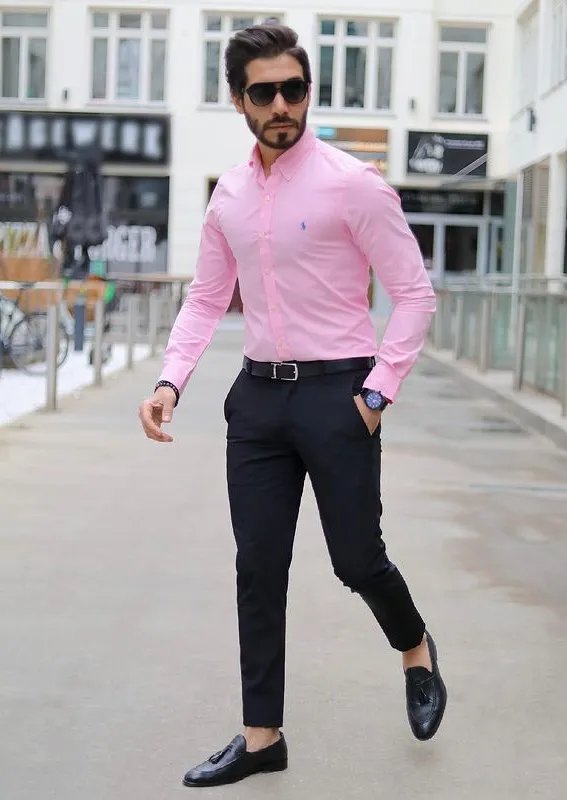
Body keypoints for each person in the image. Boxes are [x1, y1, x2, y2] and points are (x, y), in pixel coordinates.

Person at [138, 23, 446, 789]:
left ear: (308, 90)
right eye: (265, 92)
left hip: (339, 394)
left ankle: (414, 648)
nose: (283, 105)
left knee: (356, 559)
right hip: (258, 404)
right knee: (258, 568)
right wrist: (170, 380)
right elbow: (208, 298)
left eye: (294, 88)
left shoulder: (354, 184)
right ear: (238, 99)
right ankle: (262, 735)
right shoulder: (230, 195)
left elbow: (413, 296)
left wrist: (376, 394)